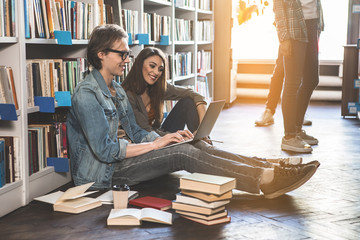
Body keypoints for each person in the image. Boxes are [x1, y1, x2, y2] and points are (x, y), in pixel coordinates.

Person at [66, 24, 319, 200]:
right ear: (101, 54)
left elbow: (136, 132)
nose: (126, 58)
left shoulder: (116, 90)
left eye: (127, 53)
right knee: (184, 154)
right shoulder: (87, 95)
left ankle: (269, 169)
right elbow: (106, 151)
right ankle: (264, 180)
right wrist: (158, 146)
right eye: (121, 53)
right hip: (103, 175)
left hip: (118, 163)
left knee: (193, 144)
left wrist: (165, 138)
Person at [273, 0, 324, 153]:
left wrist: (318, 24)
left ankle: (297, 130)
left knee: (311, 80)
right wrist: (284, 37)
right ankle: (289, 136)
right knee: (292, 83)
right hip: (294, 28)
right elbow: (279, 7)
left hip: (312, 24)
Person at [121, 47, 206, 136]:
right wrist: (176, 136)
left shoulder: (157, 87)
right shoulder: (127, 94)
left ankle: (201, 139)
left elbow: (195, 95)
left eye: (160, 69)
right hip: (144, 140)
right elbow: (146, 130)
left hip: (159, 134)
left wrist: (201, 130)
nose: (156, 72)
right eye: (152, 66)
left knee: (188, 102)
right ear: (140, 65)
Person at [254, 49, 312, 127]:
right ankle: (269, 111)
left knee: (299, 73)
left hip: (306, 40)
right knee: (279, 71)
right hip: (288, 38)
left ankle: (298, 115)